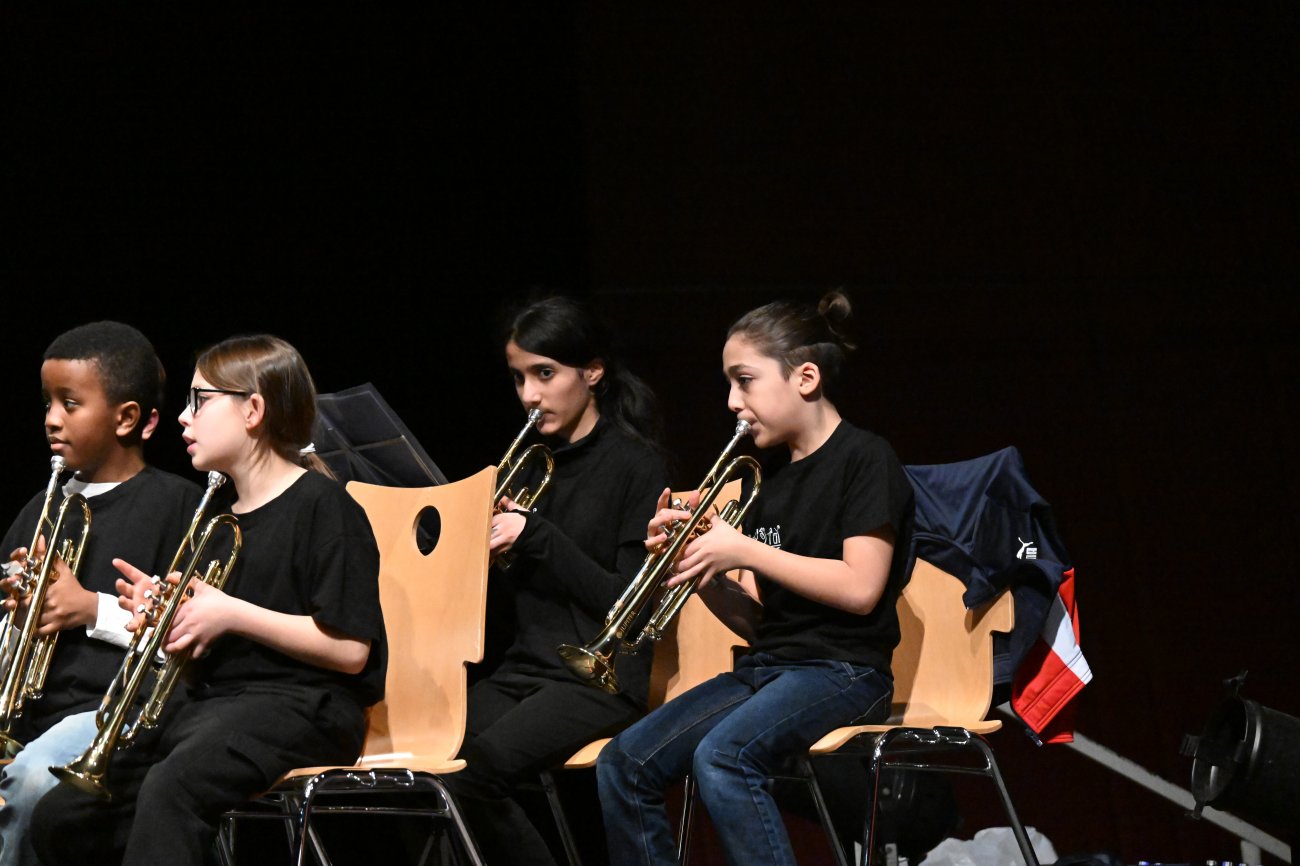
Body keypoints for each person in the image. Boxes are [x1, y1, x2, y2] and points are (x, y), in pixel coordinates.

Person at [29, 334, 387, 866]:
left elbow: (351, 651)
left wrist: (230, 613)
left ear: (253, 410)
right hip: (216, 704)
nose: (183, 417)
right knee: (66, 815)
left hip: (304, 707)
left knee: (172, 789)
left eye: (199, 400)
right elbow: (203, 647)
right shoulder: (218, 521)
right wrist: (161, 617)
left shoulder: (323, 505)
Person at [596, 290, 916, 866]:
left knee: (724, 758)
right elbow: (758, 623)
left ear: (806, 378)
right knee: (625, 763)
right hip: (769, 667)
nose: (731, 401)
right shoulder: (766, 478)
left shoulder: (865, 458)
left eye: (744, 381)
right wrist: (698, 569)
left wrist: (743, 549)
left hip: (846, 670)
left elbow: (860, 589)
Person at [447, 295, 671, 866]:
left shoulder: (635, 465)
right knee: (429, 759)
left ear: (592, 372)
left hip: (600, 679)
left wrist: (538, 537)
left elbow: (627, 603)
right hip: (525, 670)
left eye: (544, 374)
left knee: (476, 774)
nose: (529, 394)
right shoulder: (528, 466)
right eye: (519, 377)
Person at [0, 321, 203, 866]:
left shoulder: (178, 507)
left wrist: (89, 608)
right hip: (32, 714)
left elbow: (186, 642)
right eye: (47, 403)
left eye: (70, 404)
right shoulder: (41, 509)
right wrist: (15, 611)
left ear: (128, 418)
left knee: (27, 783)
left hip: (115, 712)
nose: (51, 419)